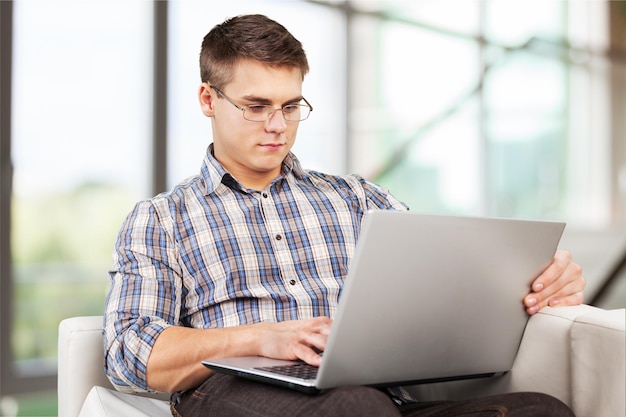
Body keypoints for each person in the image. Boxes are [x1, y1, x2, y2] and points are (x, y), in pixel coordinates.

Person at [104, 14, 585, 417]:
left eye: (291, 106)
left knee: (540, 410)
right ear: (209, 99)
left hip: (374, 399)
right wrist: (263, 339)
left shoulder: (358, 199)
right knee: (355, 406)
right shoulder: (161, 218)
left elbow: (448, 284)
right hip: (233, 393)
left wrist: (539, 283)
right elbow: (129, 354)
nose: (278, 126)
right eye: (256, 106)